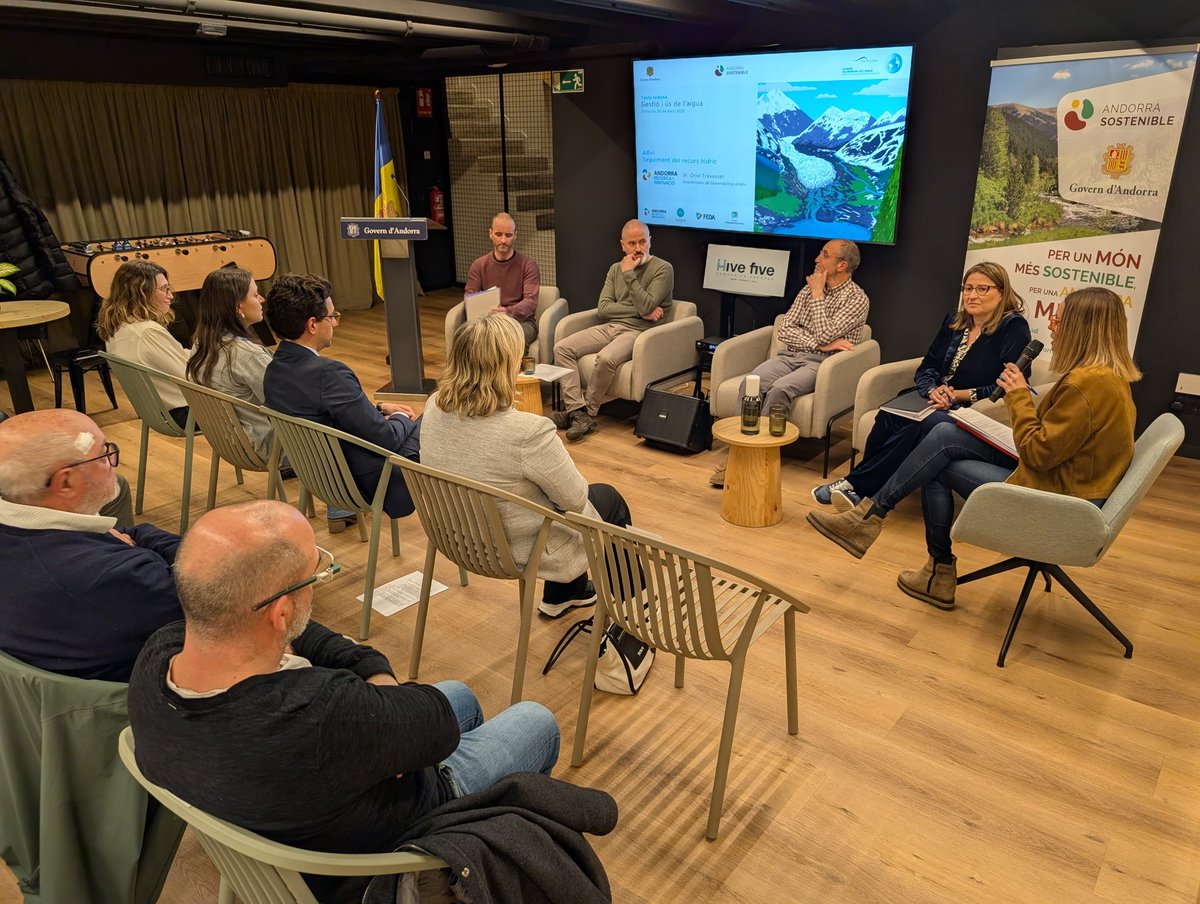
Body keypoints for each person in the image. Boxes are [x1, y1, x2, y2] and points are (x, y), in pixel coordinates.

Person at [127, 500, 560, 903]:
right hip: (384, 845)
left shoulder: (156, 660)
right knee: (535, 719)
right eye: (315, 575)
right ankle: (491, 832)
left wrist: (375, 684)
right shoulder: (322, 713)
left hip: (286, 812)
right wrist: (384, 719)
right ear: (280, 614)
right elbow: (439, 724)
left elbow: (312, 639)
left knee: (462, 695)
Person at [806, 287, 1139, 610]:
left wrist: (1019, 395)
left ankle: (922, 558)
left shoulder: (1088, 384)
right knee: (941, 429)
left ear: (1082, 330)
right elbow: (1053, 443)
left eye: (1059, 320)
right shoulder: (1103, 376)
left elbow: (1039, 453)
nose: (1051, 324)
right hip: (1060, 475)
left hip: (1058, 497)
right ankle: (872, 520)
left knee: (937, 463)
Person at [422, 314, 634, 618]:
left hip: (454, 538)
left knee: (542, 494)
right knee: (607, 498)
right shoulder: (529, 432)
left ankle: (565, 593)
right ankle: (635, 617)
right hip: (509, 551)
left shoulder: (433, 405)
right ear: (507, 367)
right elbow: (575, 500)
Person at [812, 261, 1030, 511]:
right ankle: (860, 489)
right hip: (935, 398)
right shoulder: (955, 321)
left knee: (919, 426)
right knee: (887, 415)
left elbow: (1009, 385)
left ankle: (855, 486)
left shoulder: (1013, 327)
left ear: (1001, 292)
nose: (972, 295)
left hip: (973, 408)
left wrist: (957, 395)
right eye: (968, 288)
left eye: (982, 289)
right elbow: (927, 367)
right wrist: (932, 390)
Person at [0, 409, 181, 681]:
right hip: (124, 704)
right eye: (103, 454)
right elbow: (212, 583)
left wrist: (125, 537)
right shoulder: (118, 576)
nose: (112, 462)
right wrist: (138, 541)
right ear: (66, 481)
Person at [263, 273, 420, 527]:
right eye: (332, 317)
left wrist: (379, 408)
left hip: (320, 478)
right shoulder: (329, 373)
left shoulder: (274, 370)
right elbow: (387, 439)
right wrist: (402, 417)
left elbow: (326, 412)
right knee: (432, 420)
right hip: (370, 482)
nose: (335, 323)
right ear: (312, 325)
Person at [710, 240, 869, 487]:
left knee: (780, 389)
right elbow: (785, 329)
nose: (817, 259)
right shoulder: (807, 289)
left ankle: (759, 458)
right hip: (790, 355)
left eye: (824, 255)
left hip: (822, 365)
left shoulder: (856, 299)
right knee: (752, 383)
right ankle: (740, 452)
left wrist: (818, 297)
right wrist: (818, 343)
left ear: (842, 265)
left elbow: (826, 334)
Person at [552, 218, 673, 441]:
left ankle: (588, 412)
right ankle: (575, 410)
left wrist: (630, 274)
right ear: (622, 245)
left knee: (606, 358)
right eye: (632, 243)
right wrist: (639, 309)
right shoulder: (615, 269)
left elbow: (647, 305)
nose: (638, 249)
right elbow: (603, 308)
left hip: (638, 332)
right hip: (609, 326)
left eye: (642, 242)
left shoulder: (663, 269)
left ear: (650, 241)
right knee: (562, 348)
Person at [186, 265, 274, 459]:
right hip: (264, 446)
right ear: (238, 306)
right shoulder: (247, 355)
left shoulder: (202, 342)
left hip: (226, 440)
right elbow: (283, 406)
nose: (262, 300)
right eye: (255, 295)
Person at [96, 260, 191, 428]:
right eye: (164, 290)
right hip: (183, 413)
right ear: (141, 293)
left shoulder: (118, 327)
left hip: (155, 412)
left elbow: (176, 360)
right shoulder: (147, 332)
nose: (171, 296)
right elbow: (189, 375)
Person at [464, 211, 542, 352]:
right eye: (499, 234)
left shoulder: (528, 265)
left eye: (508, 235)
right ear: (490, 233)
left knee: (508, 339)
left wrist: (506, 312)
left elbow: (530, 302)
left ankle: (511, 374)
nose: (504, 240)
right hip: (487, 321)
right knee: (471, 340)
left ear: (515, 235)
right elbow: (470, 297)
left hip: (521, 322)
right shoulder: (479, 265)